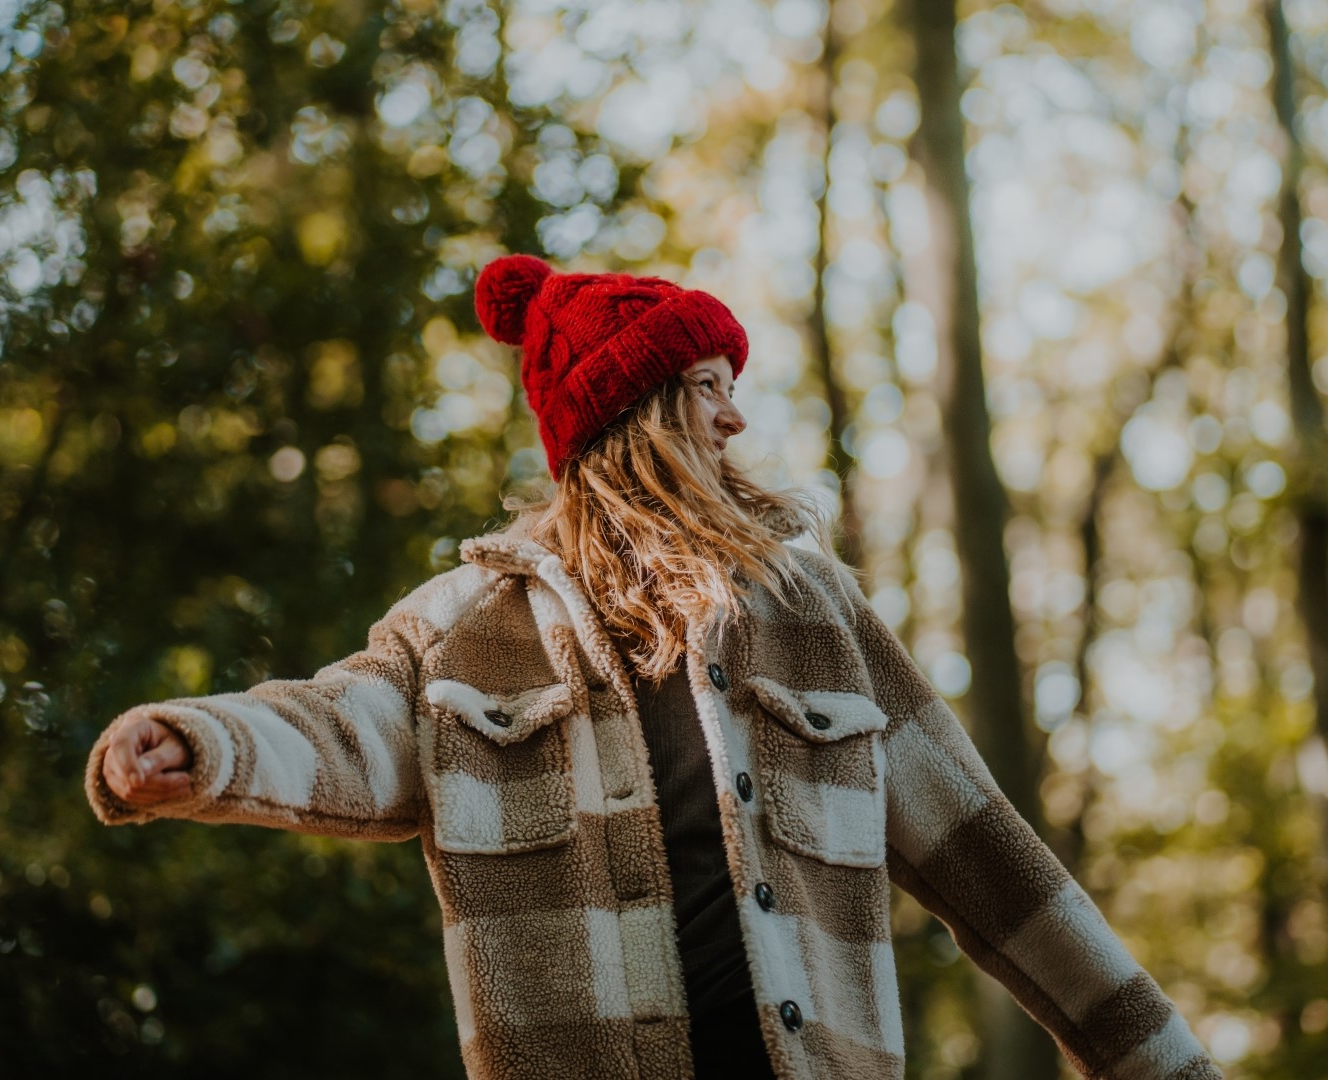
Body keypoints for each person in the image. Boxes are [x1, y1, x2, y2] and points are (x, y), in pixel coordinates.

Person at [87, 254, 1221, 1080]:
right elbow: (342, 726)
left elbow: (994, 863)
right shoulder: (464, 628)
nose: (735, 419)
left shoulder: (814, 616)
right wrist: (204, 740)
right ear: (630, 410)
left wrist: (1164, 1062)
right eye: (707, 387)